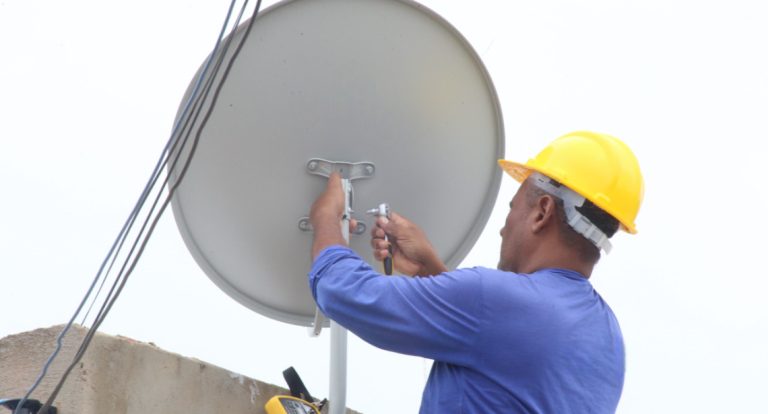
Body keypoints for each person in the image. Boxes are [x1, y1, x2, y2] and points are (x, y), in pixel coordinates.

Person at [308, 131, 644, 413]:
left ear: (542, 212)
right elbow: (501, 350)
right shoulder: (608, 338)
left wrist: (326, 219)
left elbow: (342, 291)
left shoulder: (494, 300)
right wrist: (431, 272)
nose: (503, 229)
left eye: (512, 209)